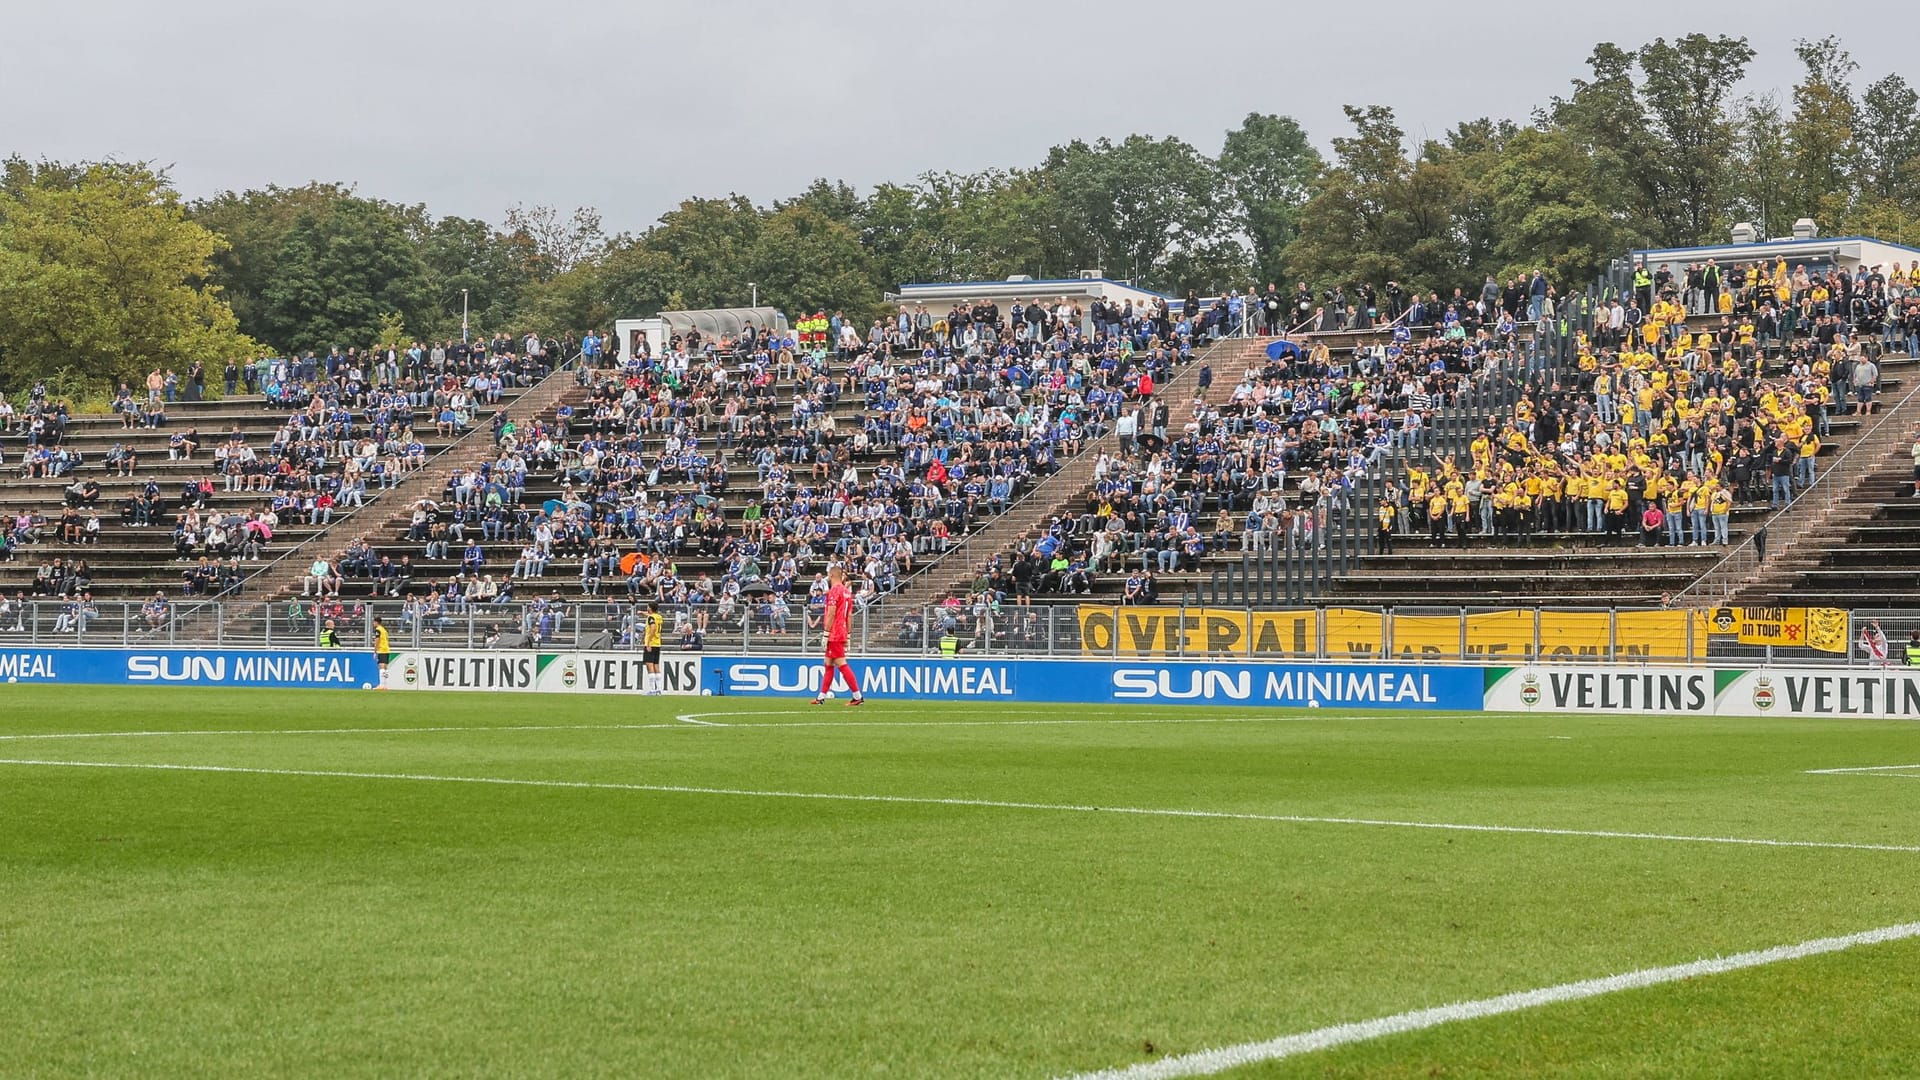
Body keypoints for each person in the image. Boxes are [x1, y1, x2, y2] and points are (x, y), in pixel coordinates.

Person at [811, 564, 863, 706]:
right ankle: (821, 697)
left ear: (832, 575)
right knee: (828, 663)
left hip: (834, 632)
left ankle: (857, 696)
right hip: (842, 631)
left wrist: (826, 634)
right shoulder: (847, 592)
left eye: (828, 575)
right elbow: (849, 615)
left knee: (841, 663)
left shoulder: (834, 591)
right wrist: (849, 635)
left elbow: (832, 612)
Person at [642, 601, 665, 695]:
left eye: (648, 607)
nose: (647, 608)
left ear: (650, 608)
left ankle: (652, 690)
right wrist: (642, 613)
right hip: (657, 643)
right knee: (656, 665)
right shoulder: (658, 617)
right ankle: (659, 690)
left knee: (649, 665)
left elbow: (653, 628)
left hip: (651, 644)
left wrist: (648, 643)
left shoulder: (651, 618)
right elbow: (651, 617)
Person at [372, 617, 391, 688]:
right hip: (387, 649)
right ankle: (385, 685)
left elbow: (377, 640)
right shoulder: (384, 629)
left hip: (382, 649)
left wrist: (375, 651)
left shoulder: (378, 630)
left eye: (374, 622)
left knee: (381, 666)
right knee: (385, 667)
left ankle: (381, 685)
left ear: (377, 622)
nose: (373, 623)